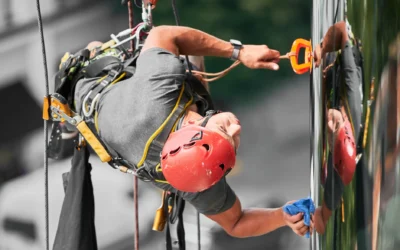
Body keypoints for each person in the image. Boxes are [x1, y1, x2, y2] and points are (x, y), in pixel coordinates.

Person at [72, 25, 313, 238]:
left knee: (98, 48)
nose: (237, 126)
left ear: (190, 126)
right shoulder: (198, 176)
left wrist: (240, 52)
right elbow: (236, 222)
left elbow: (164, 34)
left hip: (94, 86)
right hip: (119, 124)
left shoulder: (159, 91)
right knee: (190, 68)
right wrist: (282, 217)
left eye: (223, 129)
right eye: (233, 142)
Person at [312, 20, 363, 234]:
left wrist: (317, 218)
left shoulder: (340, 159)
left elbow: (326, 212)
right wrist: (322, 49)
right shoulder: (351, 98)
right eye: (336, 124)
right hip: (346, 65)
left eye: (331, 132)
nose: (330, 124)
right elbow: (342, 28)